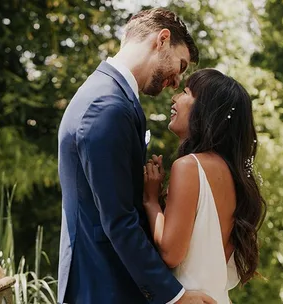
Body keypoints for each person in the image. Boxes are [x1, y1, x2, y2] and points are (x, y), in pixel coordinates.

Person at [57, 8, 217, 304]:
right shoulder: (106, 106)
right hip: (102, 285)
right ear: (163, 40)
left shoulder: (114, 98)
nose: (176, 80)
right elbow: (118, 220)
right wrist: (176, 297)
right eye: (181, 65)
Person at [143, 69, 267, 303]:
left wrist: (150, 201)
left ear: (207, 111)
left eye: (186, 92)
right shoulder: (234, 175)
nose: (174, 97)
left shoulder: (189, 167)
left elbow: (171, 253)